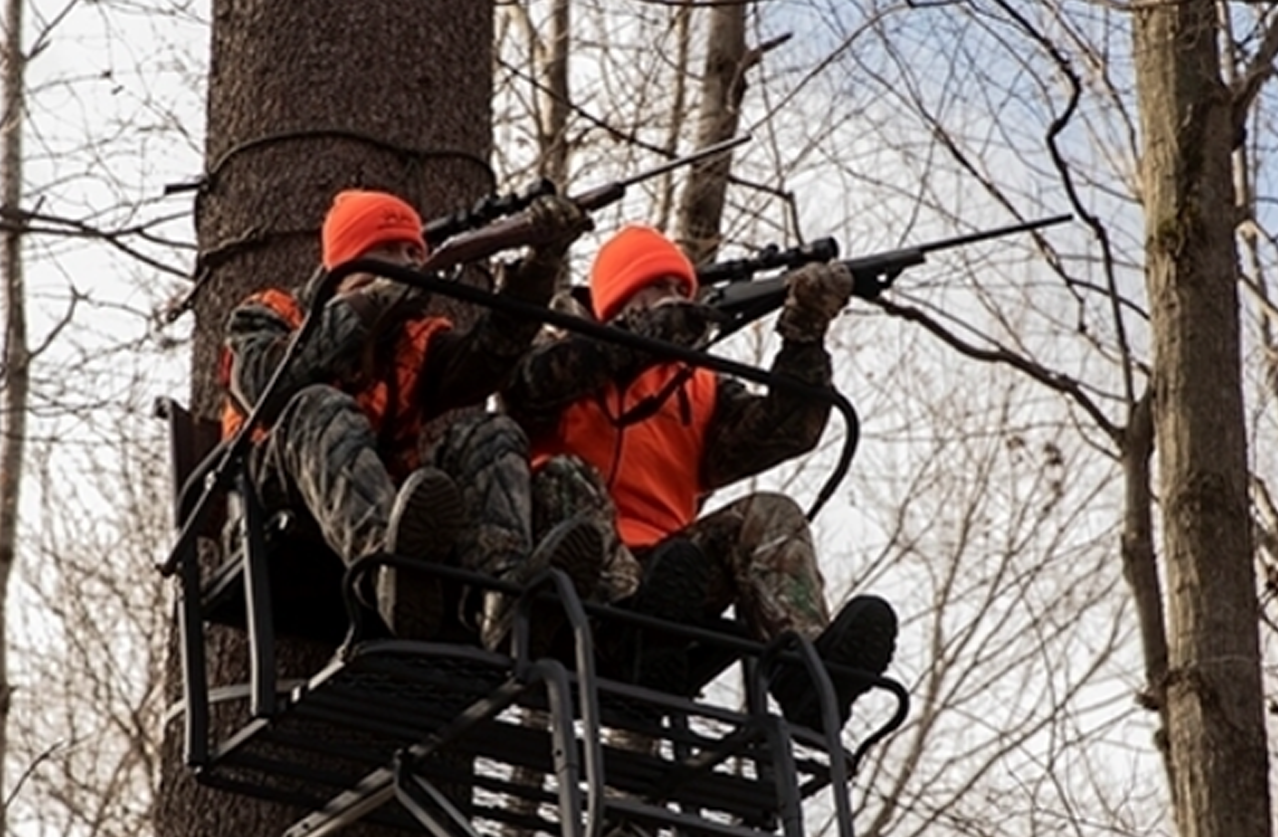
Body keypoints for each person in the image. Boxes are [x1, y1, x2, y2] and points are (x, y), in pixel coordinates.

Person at [506, 222, 897, 727]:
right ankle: (634, 636)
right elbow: (526, 391)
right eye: (658, 287)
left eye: (681, 290)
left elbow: (786, 430)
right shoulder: (562, 348)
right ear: (620, 296)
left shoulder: (699, 386)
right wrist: (655, 334)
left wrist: (804, 336)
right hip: (569, 588)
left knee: (769, 513)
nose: (674, 298)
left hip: (672, 586)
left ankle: (807, 678)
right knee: (565, 473)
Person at [221, 187, 603, 644]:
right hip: (273, 494)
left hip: (389, 500)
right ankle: (387, 574)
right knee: (320, 407)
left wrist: (540, 266)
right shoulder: (272, 313)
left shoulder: (416, 340)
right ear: (347, 263)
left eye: (413, 253)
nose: (406, 263)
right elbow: (265, 387)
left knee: (491, 431)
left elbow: (486, 365)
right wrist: (374, 302)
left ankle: (501, 600)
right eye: (389, 251)